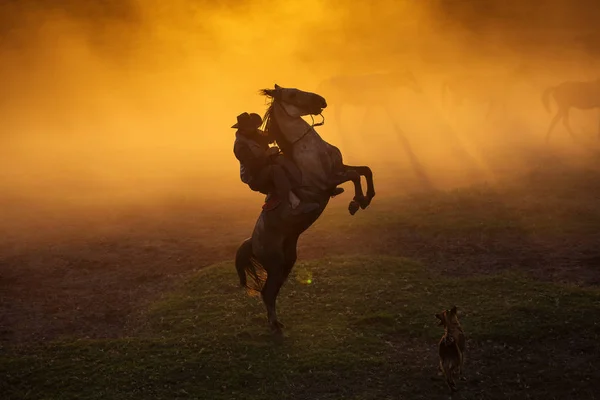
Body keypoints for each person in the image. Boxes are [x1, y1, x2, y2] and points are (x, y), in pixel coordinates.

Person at [232, 112, 320, 214]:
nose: (255, 127)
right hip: (255, 177)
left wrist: (274, 125)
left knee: (284, 159)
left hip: (265, 166)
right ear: (243, 129)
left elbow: (269, 138)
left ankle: (305, 186)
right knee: (276, 170)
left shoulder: (254, 134)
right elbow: (253, 166)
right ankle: (293, 205)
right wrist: (267, 154)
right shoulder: (240, 146)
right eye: (251, 126)